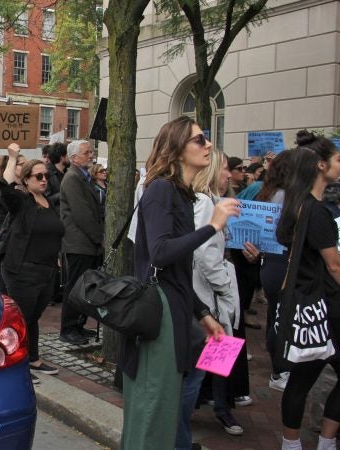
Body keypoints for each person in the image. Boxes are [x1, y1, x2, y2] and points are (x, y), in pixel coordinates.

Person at [120, 116, 237, 449]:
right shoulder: (160, 190)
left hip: (177, 312)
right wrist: (211, 227)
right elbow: (159, 254)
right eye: (199, 140)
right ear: (177, 149)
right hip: (161, 319)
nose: (209, 145)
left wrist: (203, 314)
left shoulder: (182, 195)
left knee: (166, 409)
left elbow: (179, 273)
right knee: (155, 410)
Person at [276, 131, 340, 450]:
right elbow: (334, 266)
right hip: (326, 306)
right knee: (302, 379)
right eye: (337, 159)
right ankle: (326, 442)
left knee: (300, 379)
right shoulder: (316, 211)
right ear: (320, 166)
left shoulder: (295, 206)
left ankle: (293, 444)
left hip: (306, 305)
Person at [0, 143, 63, 385]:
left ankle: (33, 358)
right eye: (38, 176)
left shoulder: (49, 203)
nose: (44, 180)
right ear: (25, 180)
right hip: (23, 270)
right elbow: (4, 187)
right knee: (21, 319)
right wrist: (13, 157)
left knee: (34, 317)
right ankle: (16, 364)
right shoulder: (22, 202)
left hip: (46, 272)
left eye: (46, 175)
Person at [191, 150, 244, 439]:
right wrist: (224, 285)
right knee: (215, 349)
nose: (229, 173)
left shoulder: (211, 201)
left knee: (218, 352)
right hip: (208, 293)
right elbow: (204, 253)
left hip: (212, 292)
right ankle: (219, 408)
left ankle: (215, 404)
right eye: (224, 168)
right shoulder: (203, 203)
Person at [256, 150, 296, 392]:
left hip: (254, 267)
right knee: (226, 330)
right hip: (223, 280)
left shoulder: (271, 194)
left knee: (229, 328)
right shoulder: (282, 196)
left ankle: (224, 396)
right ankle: (217, 395)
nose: (230, 175)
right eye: (226, 170)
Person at [59, 140, 102, 346]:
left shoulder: (83, 177)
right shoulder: (72, 178)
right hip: (79, 243)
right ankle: (68, 328)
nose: (91, 155)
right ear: (74, 157)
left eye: (91, 152)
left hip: (85, 243)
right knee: (75, 286)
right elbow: (82, 213)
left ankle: (77, 325)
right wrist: (98, 238)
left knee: (83, 287)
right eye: (86, 153)